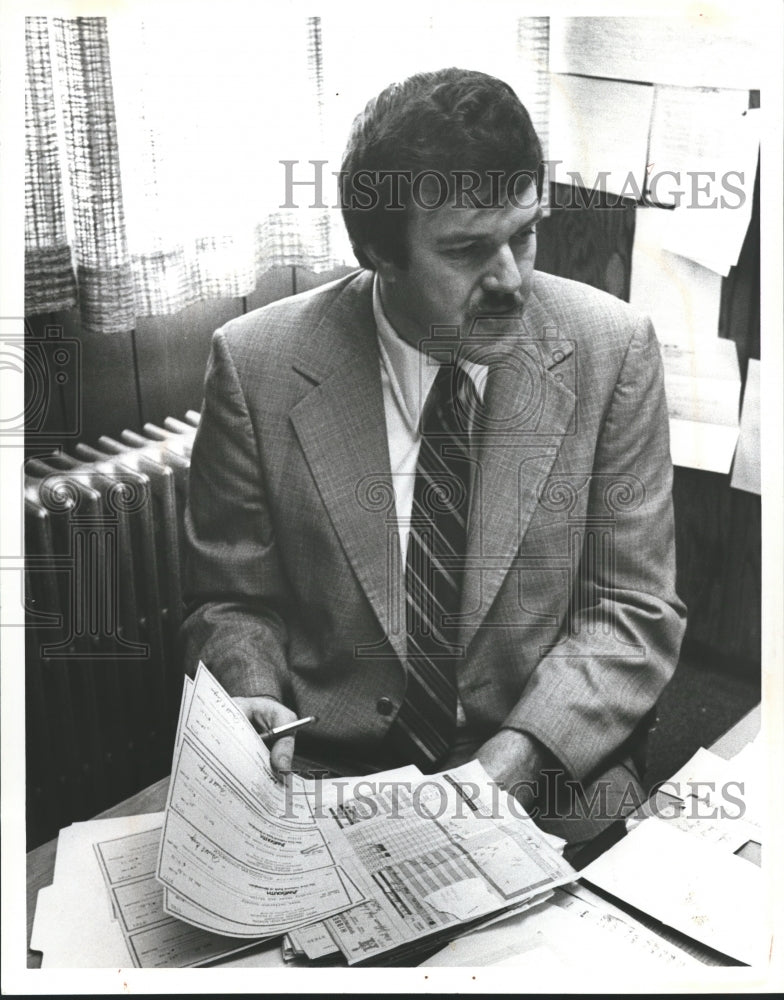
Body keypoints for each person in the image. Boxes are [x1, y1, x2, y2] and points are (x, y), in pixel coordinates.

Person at [181, 68, 686, 844]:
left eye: (524, 232)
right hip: (327, 778)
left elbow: (631, 611)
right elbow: (232, 599)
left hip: (542, 770)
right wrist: (250, 690)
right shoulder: (255, 367)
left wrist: (509, 767)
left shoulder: (611, 350)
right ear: (378, 251)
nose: (512, 279)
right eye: (467, 250)